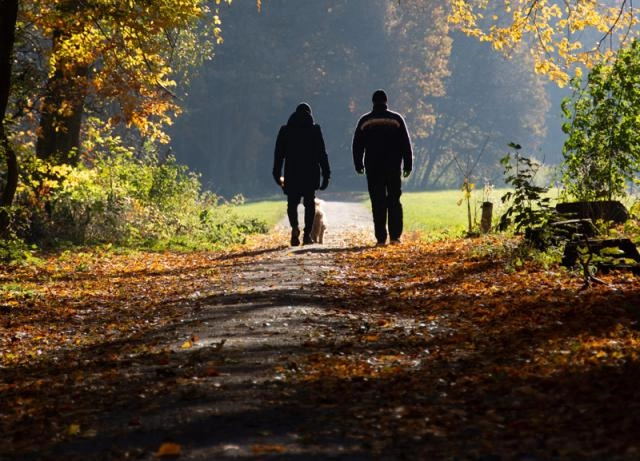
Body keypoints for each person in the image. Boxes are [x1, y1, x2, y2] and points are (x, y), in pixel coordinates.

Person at [352, 89, 413, 246]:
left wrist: (358, 164)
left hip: (373, 166)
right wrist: (408, 164)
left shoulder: (365, 120)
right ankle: (395, 237)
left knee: (377, 201)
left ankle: (380, 238)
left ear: (373, 102)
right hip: (393, 166)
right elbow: (406, 143)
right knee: (394, 199)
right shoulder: (396, 119)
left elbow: (357, 145)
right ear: (386, 101)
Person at [273, 102, 331, 246]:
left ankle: (294, 228)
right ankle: (307, 235)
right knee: (309, 204)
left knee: (292, 203)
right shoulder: (314, 129)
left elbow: (278, 155)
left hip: (292, 172)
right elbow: (322, 154)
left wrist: (276, 173)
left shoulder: (285, 130)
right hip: (310, 172)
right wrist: (326, 174)